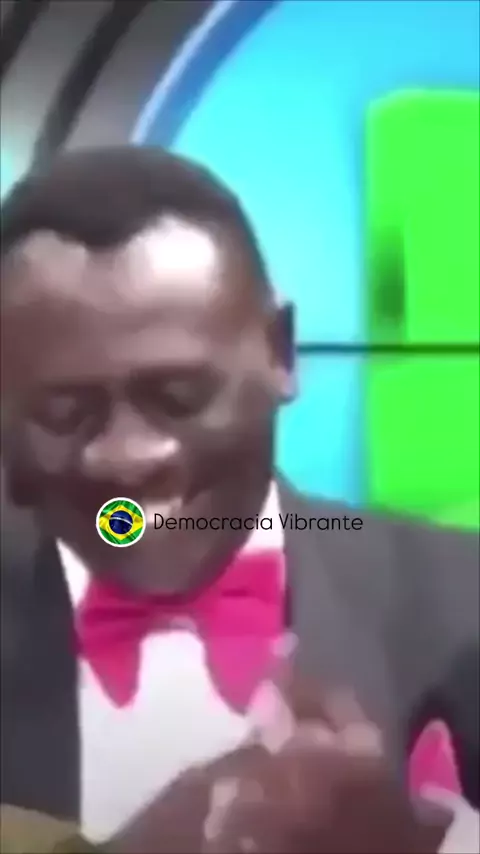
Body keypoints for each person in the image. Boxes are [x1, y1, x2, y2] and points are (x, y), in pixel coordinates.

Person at [1, 146, 478, 851]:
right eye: (65, 413)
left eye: (179, 396)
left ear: (281, 353)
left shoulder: (464, 604)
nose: (129, 456)